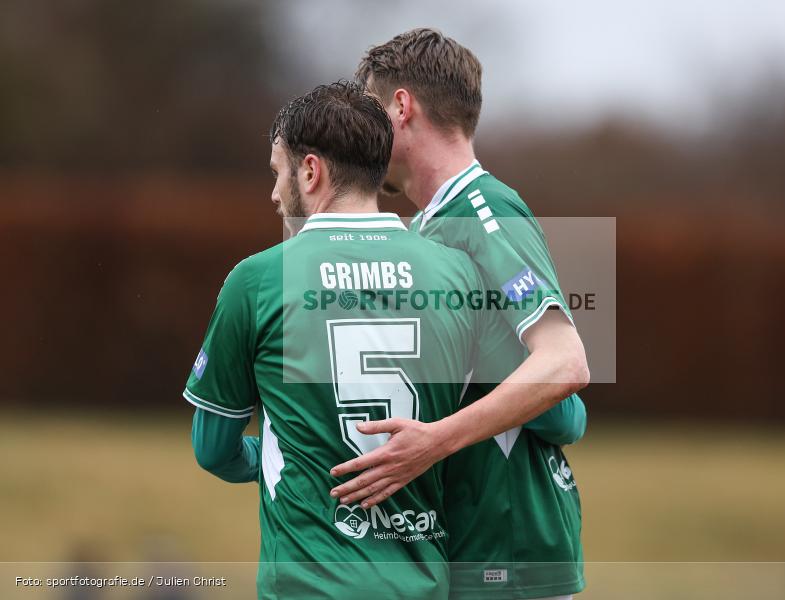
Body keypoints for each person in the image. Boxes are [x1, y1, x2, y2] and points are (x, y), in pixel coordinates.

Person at [185, 81, 485, 599]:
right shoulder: (457, 272)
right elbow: (538, 416)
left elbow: (213, 449)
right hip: (423, 580)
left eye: (278, 171)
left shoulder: (258, 280)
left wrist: (293, 455)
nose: (275, 192)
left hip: (307, 583)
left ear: (310, 170)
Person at [329, 29, 590, 600]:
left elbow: (566, 364)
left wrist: (434, 441)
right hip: (458, 546)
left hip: (510, 548)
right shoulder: (422, 229)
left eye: (371, 114)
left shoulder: (483, 209)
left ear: (401, 107)